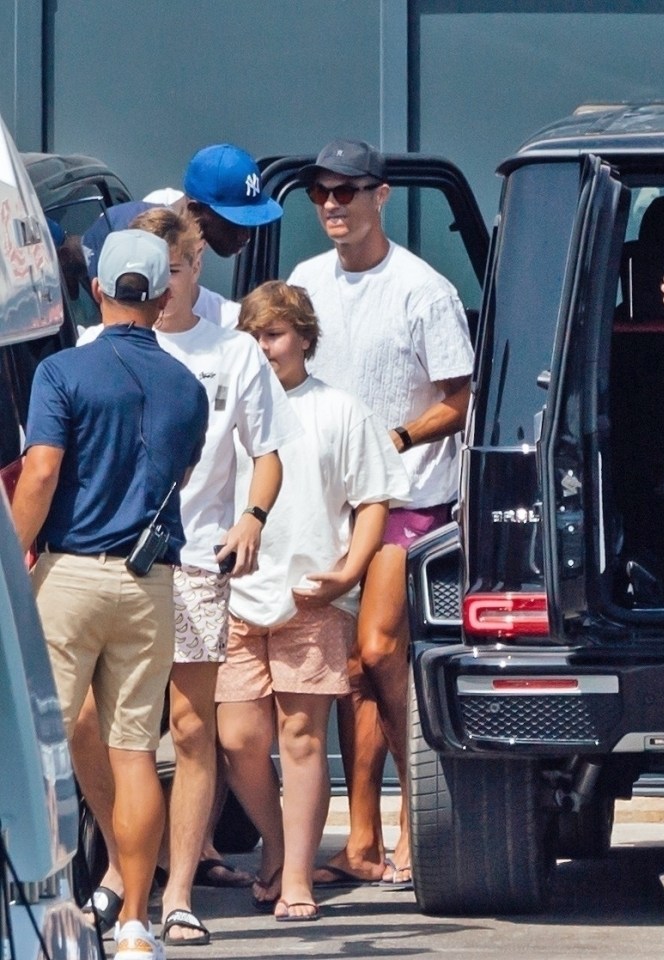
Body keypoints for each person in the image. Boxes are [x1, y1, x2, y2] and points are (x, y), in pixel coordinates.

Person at [72, 208, 299, 947]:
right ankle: (121, 862)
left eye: (173, 270)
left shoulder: (233, 353)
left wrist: (252, 519)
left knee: (192, 725)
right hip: (107, 562)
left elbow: (268, 451)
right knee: (93, 728)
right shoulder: (88, 346)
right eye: (148, 271)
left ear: (197, 267)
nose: (159, 287)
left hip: (196, 558)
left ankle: (176, 893)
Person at [11, 229, 209, 960]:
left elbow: (40, 476)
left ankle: (44, 906)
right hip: (148, 581)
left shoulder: (62, 370)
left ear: (95, 287)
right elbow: (175, 479)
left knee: (38, 752)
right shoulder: (189, 387)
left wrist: (8, 560)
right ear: (161, 297)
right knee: (133, 753)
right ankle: (133, 923)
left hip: (68, 573)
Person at [287, 138, 475, 888]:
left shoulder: (422, 290)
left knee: (377, 653)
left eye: (348, 190)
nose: (333, 204)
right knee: (348, 675)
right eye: (321, 192)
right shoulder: (303, 280)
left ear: (382, 195)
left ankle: (415, 821)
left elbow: (457, 402)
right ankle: (359, 840)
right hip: (324, 508)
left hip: (408, 500)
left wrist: (389, 438)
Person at [215, 280, 409, 920]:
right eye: (253, 336)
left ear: (303, 337)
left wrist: (348, 575)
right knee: (238, 736)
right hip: (231, 595)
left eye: (273, 335)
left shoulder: (339, 410)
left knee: (302, 738)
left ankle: (295, 875)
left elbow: (373, 498)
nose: (263, 348)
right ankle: (277, 845)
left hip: (312, 597)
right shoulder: (225, 407)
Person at [82, 143, 282, 330]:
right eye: (235, 222)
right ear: (195, 211)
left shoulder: (229, 325)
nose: (246, 235)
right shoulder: (123, 230)